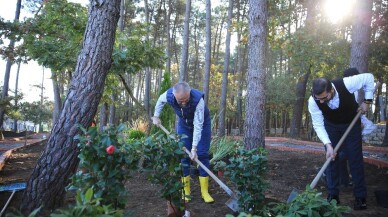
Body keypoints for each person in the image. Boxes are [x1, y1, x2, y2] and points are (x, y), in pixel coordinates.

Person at [308, 68, 375, 210]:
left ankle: (360, 197)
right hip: (331, 127)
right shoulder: (313, 101)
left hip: (351, 124)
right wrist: (328, 145)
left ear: (331, 90)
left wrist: (367, 101)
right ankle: (333, 196)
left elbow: (369, 78)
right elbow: (318, 124)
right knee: (331, 160)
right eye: (318, 98)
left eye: (324, 98)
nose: (321, 102)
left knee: (355, 159)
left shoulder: (346, 83)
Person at [152, 81, 214, 203]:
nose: (184, 102)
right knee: (183, 155)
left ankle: (204, 192)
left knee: (202, 154)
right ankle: (185, 190)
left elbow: (198, 125)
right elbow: (160, 100)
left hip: (202, 125)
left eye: (186, 99)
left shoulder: (198, 102)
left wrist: (194, 149)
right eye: (180, 101)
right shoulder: (169, 95)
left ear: (189, 93)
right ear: (174, 96)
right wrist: (156, 116)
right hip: (183, 125)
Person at [338, 68, 377, 188]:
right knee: (344, 154)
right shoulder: (348, 88)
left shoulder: (346, 88)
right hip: (344, 126)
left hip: (348, 126)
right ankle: (343, 180)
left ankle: (345, 181)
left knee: (344, 154)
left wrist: (366, 103)